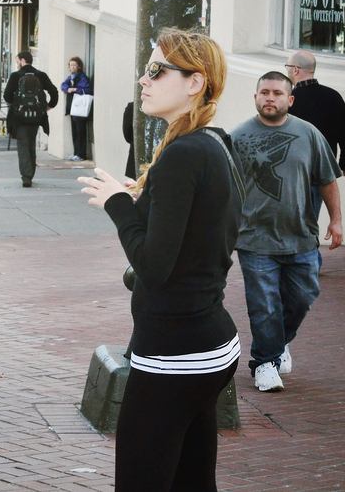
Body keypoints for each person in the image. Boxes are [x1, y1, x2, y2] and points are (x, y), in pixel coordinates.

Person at [78, 29, 242, 491]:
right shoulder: (214, 143)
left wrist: (119, 204)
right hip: (211, 345)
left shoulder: (184, 154)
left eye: (156, 70)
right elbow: (206, 232)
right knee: (192, 481)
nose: (143, 80)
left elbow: (154, 265)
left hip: (176, 352)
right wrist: (144, 198)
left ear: (195, 83)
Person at [230, 71, 343, 393]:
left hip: (301, 236)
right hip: (254, 238)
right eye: (264, 92)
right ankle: (264, 363)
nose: (270, 97)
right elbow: (227, 189)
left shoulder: (308, 134)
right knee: (264, 303)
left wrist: (336, 220)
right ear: (255, 97)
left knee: (303, 297)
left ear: (289, 99)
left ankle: (277, 342)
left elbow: (327, 180)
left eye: (277, 93)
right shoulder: (238, 137)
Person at [284, 50, 345, 217]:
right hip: (323, 169)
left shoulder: (290, 98)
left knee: (293, 218)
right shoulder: (333, 96)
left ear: (295, 69)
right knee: (311, 218)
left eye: (287, 66)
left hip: (294, 169)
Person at [3, 51, 58, 187]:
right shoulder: (41, 75)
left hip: (19, 117)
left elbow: (7, 96)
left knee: (23, 145)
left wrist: (16, 105)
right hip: (36, 117)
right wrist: (49, 106)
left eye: (17, 61)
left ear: (22, 61)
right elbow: (54, 91)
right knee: (31, 143)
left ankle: (26, 176)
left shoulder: (16, 75)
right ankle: (30, 173)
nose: (17, 64)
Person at [60, 56, 93, 161]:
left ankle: (81, 154)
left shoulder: (82, 77)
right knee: (74, 132)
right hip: (73, 108)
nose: (72, 67)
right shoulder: (70, 77)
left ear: (79, 66)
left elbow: (87, 89)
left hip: (80, 109)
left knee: (80, 132)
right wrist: (68, 88)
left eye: (74, 65)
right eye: (70, 65)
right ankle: (76, 153)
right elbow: (63, 86)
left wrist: (75, 89)